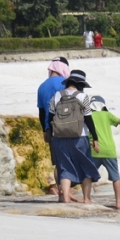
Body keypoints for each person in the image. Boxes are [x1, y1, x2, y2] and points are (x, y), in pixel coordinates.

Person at [48, 70, 100, 204]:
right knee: (86, 166)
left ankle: (65, 198)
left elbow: (50, 117)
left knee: (64, 167)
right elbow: (88, 119)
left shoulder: (57, 95)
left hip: (59, 137)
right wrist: (95, 138)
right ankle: (86, 198)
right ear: (80, 84)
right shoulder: (83, 97)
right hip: (79, 137)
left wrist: (53, 133)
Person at [88, 96, 120, 209]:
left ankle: (86, 199)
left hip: (94, 150)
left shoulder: (89, 115)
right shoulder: (107, 115)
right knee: (115, 177)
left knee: (88, 176)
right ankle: (118, 203)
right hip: (109, 150)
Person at [37, 57, 71, 199]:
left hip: (51, 128)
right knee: (71, 160)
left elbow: (42, 112)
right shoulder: (65, 83)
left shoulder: (42, 86)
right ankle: (74, 193)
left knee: (58, 163)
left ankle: (61, 194)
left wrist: (45, 130)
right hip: (68, 126)